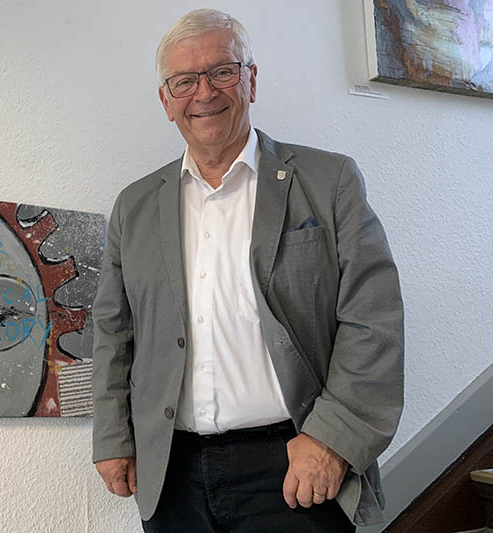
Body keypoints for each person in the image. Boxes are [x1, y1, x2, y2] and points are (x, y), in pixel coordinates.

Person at [91, 9, 404, 531]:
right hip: (171, 472)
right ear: (166, 101)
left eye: (222, 71)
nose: (204, 92)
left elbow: (373, 322)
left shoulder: (330, 182)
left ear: (251, 80)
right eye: (184, 81)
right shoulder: (135, 206)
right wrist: (113, 437)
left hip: (295, 466)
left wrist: (332, 439)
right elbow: (112, 332)